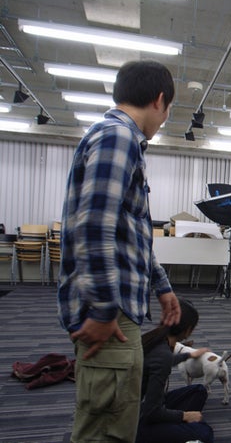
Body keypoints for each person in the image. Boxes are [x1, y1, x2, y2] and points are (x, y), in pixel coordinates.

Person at [57, 60, 181, 443]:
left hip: (119, 310)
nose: (165, 118)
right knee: (105, 431)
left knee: (119, 420)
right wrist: (103, 309)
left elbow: (131, 231)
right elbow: (94, 227)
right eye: (168, 109)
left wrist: (161, 285)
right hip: (111, 313)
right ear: (159, 100)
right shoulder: (118, 137)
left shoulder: (118, 137)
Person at [136, 298, 214, 443]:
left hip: (142, 407)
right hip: (137, 422)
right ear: (188, 330)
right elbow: (151, 412)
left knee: (199, 391)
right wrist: (184, 416)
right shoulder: (163, 354)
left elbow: (163, 361)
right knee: (205, 432)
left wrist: (189, 355)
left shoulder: (154, 338)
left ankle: (175, 428)